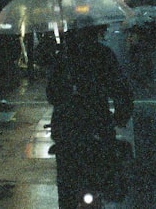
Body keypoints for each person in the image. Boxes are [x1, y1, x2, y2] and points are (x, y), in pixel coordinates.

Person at [47, 18, 134, 208]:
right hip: (97, 125)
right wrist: (121, 115)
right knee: (99, 177)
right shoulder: (103, 55)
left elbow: (51, 94)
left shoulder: (63, 56)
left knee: (67, 185)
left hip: (67, 128)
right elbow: (121, 90)